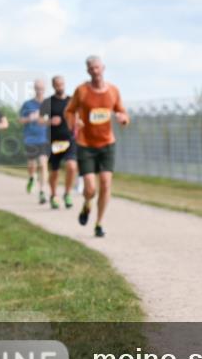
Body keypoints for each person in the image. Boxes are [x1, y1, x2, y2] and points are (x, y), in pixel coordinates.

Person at [65, 55, 129, 237]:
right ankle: (87, 204)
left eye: (97, 67)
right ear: (87, 70)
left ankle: (99, 224)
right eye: (91, 68)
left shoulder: (113, 91)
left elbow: (121, 111)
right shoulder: (82, 91)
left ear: (103, 68)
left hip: (107, 143)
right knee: (91, 189)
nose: (95, 71)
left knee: (106, 183)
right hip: (85, 144)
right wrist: (73, 124)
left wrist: (124, 119)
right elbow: (69, 111)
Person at [42, 75, 78, 209]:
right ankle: (53, 195)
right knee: (55, 172)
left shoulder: (71, 101)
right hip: (54, 142)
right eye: (57, 84)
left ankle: (67, 193)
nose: (60, 86)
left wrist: (78, 123)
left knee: (72, 166)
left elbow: (77, 116)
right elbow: (40, 120)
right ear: (53, 86)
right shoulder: (48, 102)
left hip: (69, 140)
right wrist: (49, 121)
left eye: (62, 84)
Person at [19, 80, 50, 204]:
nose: (40, 90)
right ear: (34, 89)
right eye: (37, 88)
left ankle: (42, 191)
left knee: (43, 164)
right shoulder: (28, 104)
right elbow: (20, 120)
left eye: (42, 88)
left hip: (45, 138)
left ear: (45, 89)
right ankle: (31, 177)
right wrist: (29, 118)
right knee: (32, 164)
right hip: (30, 138)